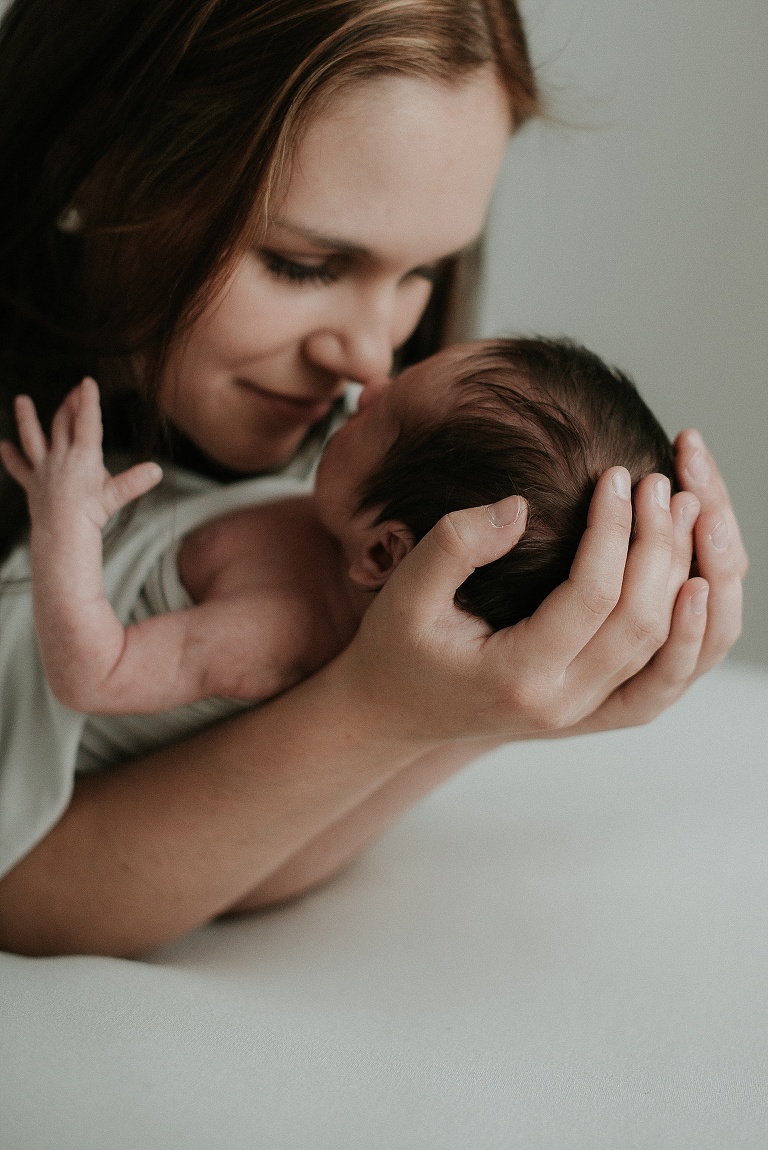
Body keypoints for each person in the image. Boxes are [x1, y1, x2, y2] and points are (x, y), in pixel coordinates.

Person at [0, 0, 746, 958]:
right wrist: (381, 709)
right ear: (92, 161)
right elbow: (28, 900)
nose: (368, 358)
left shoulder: (382, 475)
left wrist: (491, 694)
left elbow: (246, 868)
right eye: (305, 263)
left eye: (423, 269)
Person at [2, 336, 679, 767]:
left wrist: (66, 526)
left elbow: (95, 676)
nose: (370, 383)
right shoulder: (345, 521)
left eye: (378, 420)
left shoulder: (276, 625)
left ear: (385, 554)